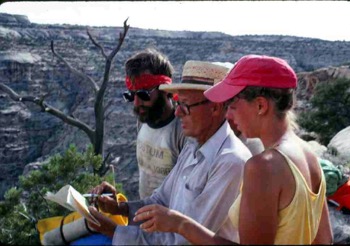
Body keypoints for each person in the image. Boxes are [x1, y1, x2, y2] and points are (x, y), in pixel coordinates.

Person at [134, 55, 333, 245]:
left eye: (233, 104)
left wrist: (181, 224)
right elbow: (324, 239)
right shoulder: (308, 155)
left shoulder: (263, 166)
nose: (228, 113)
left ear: (261, 106)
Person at [87, 60, 252, 245]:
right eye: (177, 103)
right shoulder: (192, 147)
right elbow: (161, 200)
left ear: (215, 107)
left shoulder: (230, 162)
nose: (178, 113)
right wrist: (121, 208)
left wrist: (113, 231)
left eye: (186, 105)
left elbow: (185, 240)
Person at [123, 48, 186, 199]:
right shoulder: (144, 119)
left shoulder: (182, 131)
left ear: (165, 90)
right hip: (144, 212)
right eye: (132, 95)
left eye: (144, 94)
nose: (137, 103)